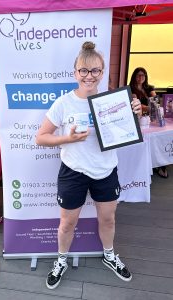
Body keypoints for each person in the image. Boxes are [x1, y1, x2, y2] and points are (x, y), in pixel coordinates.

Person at [36, 41, 142, 289]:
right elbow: (41, 137)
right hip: (73, 172)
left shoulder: (113, 101)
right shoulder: (64, 103)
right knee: (67, 223)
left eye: (95, 70)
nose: (89, 76)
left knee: (108, 220)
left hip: (105, 171)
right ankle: (61, 259)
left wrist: (135, 112)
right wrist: (67, 139)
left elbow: (128, 131)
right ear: (75, 73)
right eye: (83, 70)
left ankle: (108, 255)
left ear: (102, 73)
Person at [129, 67, 168, 178]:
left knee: (159, 138)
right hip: (140, 120)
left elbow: (155, 101)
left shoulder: (150, 87)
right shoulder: (131, 89)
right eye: (138, 75)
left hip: (153, 119)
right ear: (134, 76)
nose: (141, 77)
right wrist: (151, 108)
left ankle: (160, 164)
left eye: (143, 75)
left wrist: (154, 107)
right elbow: (137, 104)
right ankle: (147, 164)